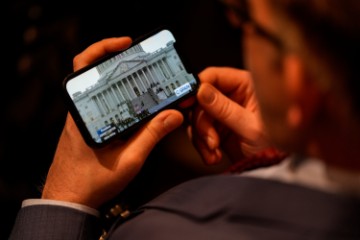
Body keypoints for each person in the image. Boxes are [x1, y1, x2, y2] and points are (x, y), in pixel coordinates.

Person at [9, 0, 360, 239]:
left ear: (297, 78)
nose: (239, 27)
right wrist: (285, 148)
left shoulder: (166, 233)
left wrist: (63, 197)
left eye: (247, 20)